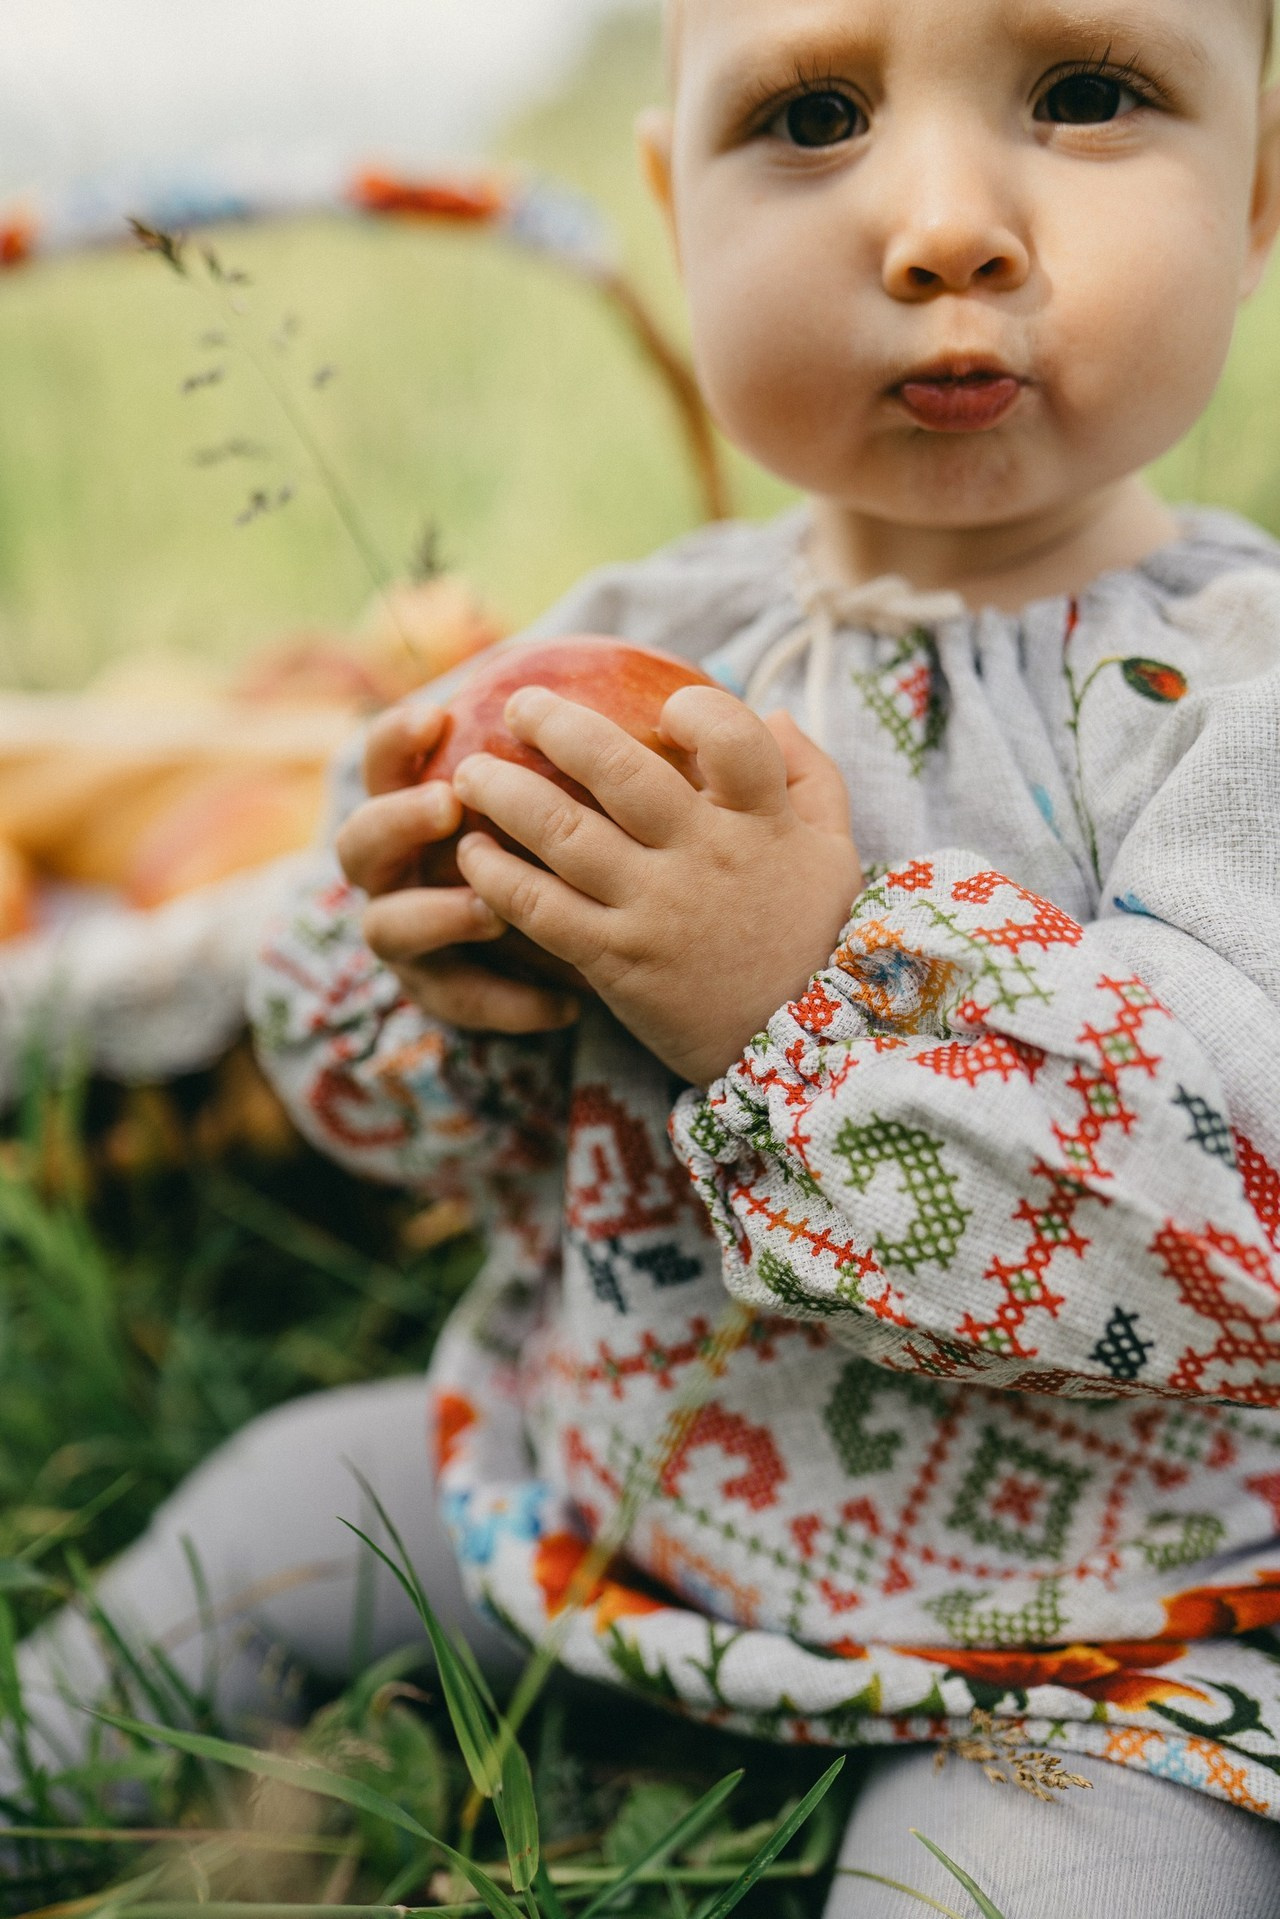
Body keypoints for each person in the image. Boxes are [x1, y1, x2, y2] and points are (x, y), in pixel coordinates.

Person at [13, 0, 1280, 1909]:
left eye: (1086, 93)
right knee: (277, 1511)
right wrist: (420, 978)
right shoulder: (618, 647)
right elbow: (409, 1145)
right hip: (594, 1475)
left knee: (1064, 1873)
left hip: (1088, 1626)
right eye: (815, 112)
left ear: (1259, 183)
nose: (942, 220)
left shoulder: (1239, 708)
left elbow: (1241, 1219)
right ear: (675, 203)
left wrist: (803, 1005)